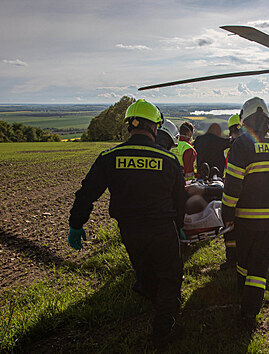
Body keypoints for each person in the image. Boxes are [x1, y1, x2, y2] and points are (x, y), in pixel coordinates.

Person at [67, 99, 186, 347]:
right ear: (155, 128)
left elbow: (86, 193)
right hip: (162, 229)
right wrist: (180, 225)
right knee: (170, 276)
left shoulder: (109, 157)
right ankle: (164, 329)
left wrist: (76, 224)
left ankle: (151, 297)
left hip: (130, 231)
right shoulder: (169, 160)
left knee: (144, 268)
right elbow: (180, 201)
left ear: (129, 127)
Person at [221, 97, 269, 326]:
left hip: (247, 220)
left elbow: (233, 185)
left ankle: (242, 300)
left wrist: (227, 214)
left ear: (244, 120)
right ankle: (250, 312)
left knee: (243, 262)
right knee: (259, 267)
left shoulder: (242, 145)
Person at [220, 113, 243, 270]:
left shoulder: (231, 150)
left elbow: (231, 177)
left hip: (234, 193)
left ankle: (232, 259)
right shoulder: (251, 146)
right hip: (250, 195)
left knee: (230, 229)